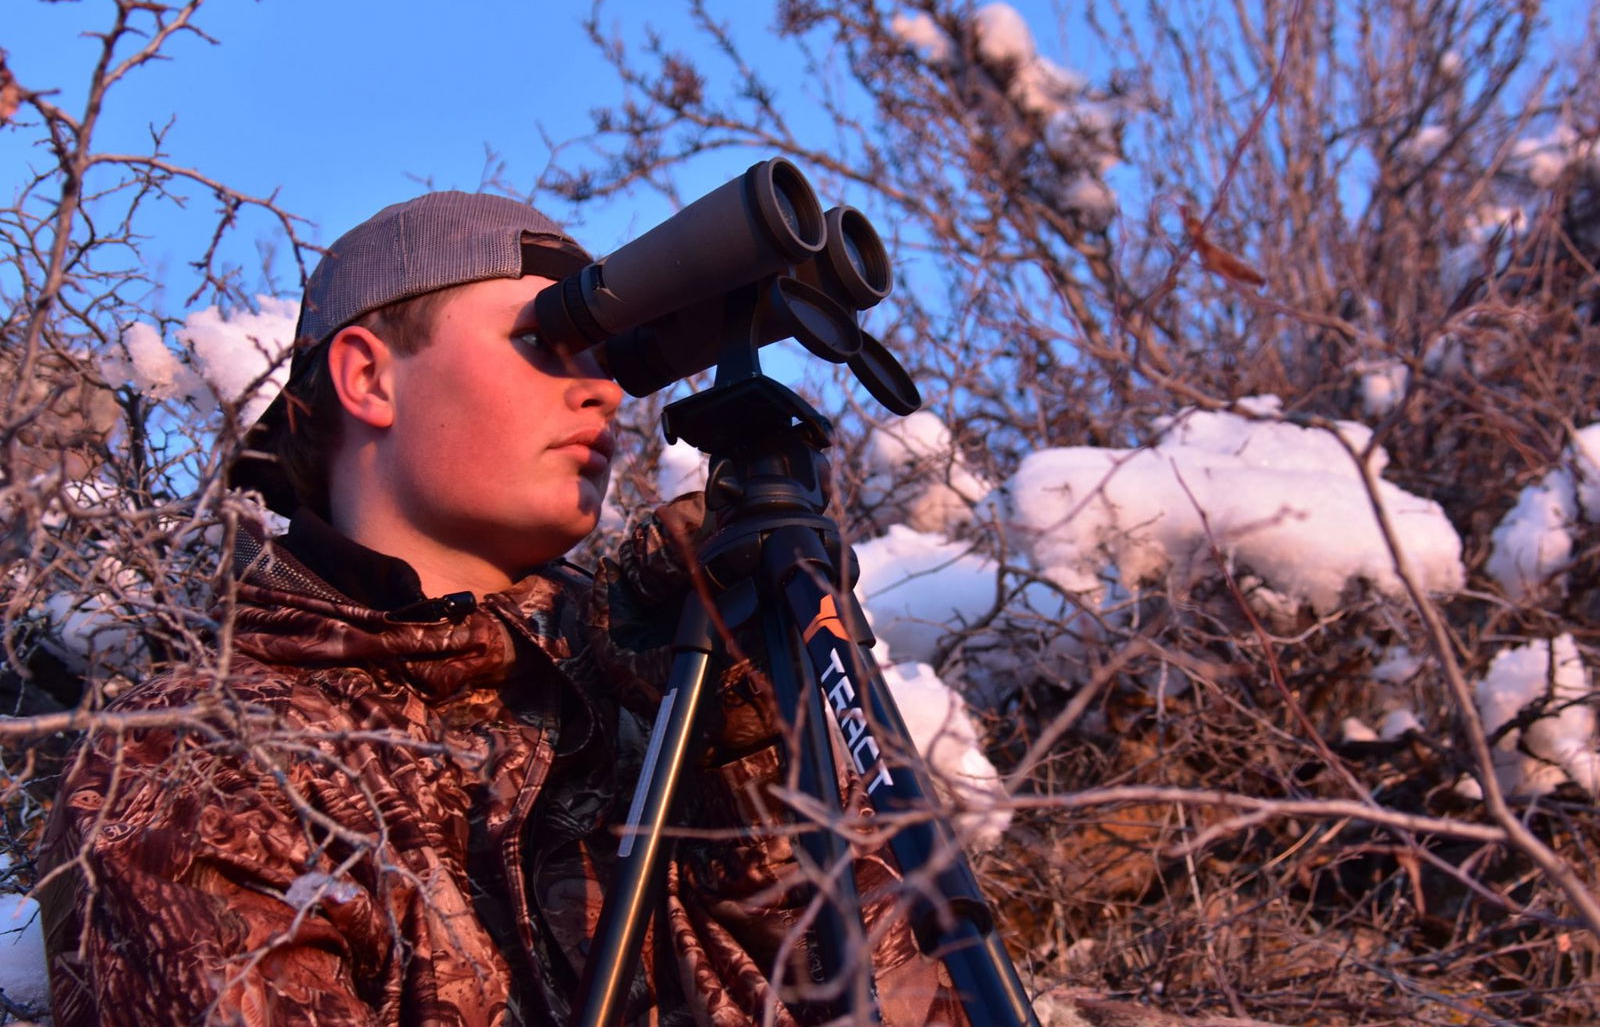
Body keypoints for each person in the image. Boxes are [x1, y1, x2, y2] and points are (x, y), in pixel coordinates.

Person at [34, 192, 969, 1026]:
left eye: (610, 354)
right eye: (546, 342)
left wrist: (745, 734)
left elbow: (894, 999)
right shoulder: (196, 753)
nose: (605, 391)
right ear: (369, 379)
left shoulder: (659, 703)